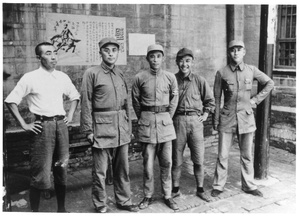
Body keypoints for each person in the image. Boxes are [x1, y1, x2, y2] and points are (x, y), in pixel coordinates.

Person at [4, 42, 80, 212]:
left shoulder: (62, 77)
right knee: (40, 174)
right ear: (39, 57)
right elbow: (10, 101)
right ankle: (35, 213)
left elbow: (75, 96)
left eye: (55, 53)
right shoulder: (30, 77)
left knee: (61, 169)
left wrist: (70, 115)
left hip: (61, 126)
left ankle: (61, 210)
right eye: (47, 53)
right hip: (42, 128)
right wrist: (24, 124)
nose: (53, 56)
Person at [80, 37, 138, 213]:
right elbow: (86, 102)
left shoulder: (120, 73)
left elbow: (126, 103)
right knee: (100, 171)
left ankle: (124, 200)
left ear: (117, 53)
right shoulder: (92, 73)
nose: (111, 54)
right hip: (102, 126)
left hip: (121, 126)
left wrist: (128, 126)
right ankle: (100, 204)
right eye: (107, 50)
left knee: (122, 168)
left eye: (114, 50)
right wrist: (88, 130)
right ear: (100, 52)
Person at [211, 40, 275, 198]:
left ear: (244, 52)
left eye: (239, 50)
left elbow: (269, 83)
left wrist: (255, 100)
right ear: (229, 53)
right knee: (223, 155)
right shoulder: (222, 73)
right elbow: (217, 98)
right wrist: (216, 120)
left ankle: (249, 185)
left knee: (246, 154)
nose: (236, 53)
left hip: (246, 119)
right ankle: (218, 185)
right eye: (233, 50)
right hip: (227, 118)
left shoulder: (251, 70)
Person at [131, 44, 179, 211]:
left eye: (158, 56)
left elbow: (174, 98)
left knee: (167, 162)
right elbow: (136, 101)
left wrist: (167, 116)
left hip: (166, 124)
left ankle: (167, 195)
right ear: (147, 58)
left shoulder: (170, 77)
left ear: (163, 58)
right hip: (147, 124)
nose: (155, 59)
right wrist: (144, 117)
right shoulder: (140, 77)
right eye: (152, 56)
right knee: (148, 164)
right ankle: (148, 195)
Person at [171, 48, 215, 202]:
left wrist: (205, 114)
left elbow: (210, 101)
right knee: (176, 159)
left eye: (188, 61)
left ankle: (201, 189)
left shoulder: (199, 80)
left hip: (195, 122)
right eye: (181, 61)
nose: (184, 64)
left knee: (198, 158)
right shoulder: (172, 80)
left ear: (192, 62)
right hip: (177, 122)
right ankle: (175, 189)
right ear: (177, 62)